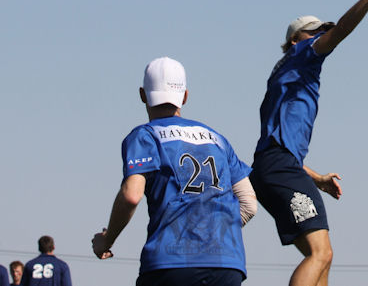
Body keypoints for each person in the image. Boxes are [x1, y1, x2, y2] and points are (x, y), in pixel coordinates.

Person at [252, 0, 368, 286]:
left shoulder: (282, 78)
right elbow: (343, 29)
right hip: (279, 168)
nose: (321, 36)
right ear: (294, 40)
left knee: (322, 257)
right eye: (314, 33)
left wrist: (316, 178)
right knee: (321, 254)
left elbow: (275, 149)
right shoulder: (302, 54)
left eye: (322, 32)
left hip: (272, 169)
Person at [91, 56, 257, 286]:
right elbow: (249, 204)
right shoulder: (217, 139)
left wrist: (107, 240)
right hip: (227, 264)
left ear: (142, 95)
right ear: (185, 96)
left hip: (171, 263)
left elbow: (131, 196)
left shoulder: (145, 136)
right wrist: (212, 236)